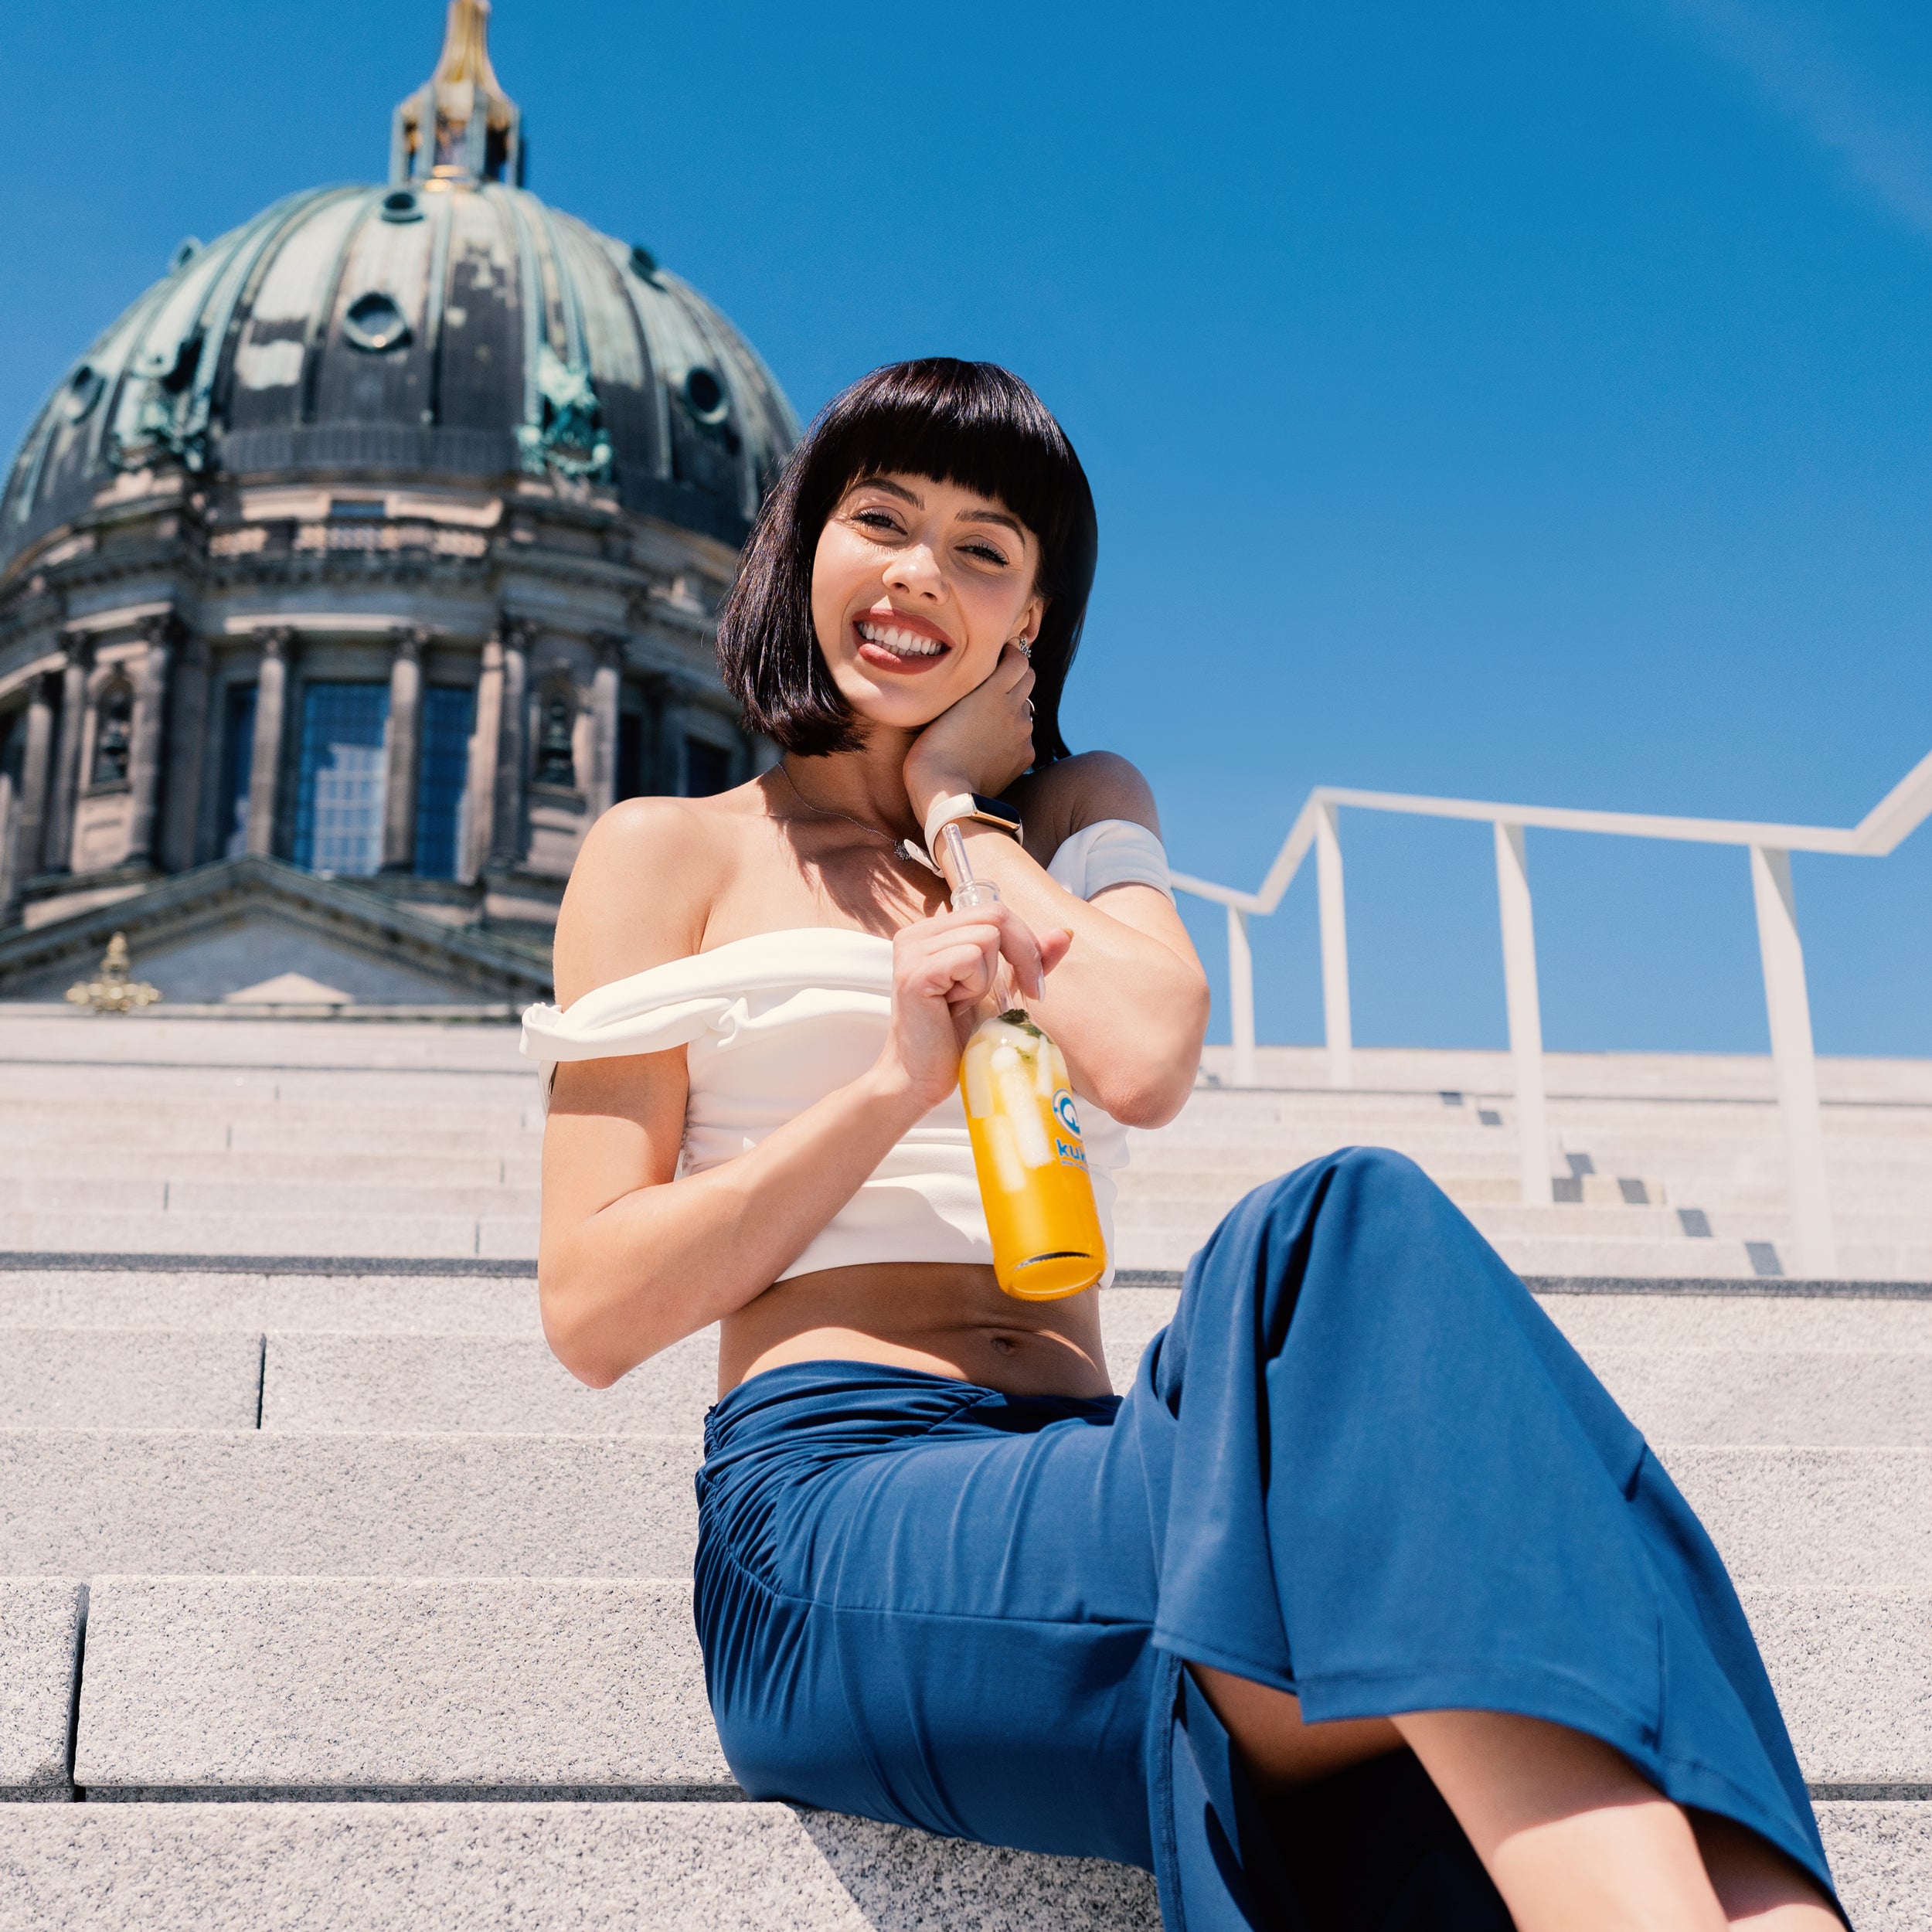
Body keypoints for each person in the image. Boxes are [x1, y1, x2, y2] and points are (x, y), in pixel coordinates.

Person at [525, 359, 1841, 1930]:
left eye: (980, 549)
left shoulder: (1073, 812)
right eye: (880, 520)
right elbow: (591, 1309)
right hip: (833, 1505)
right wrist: (887, 1084)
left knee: (1358, 1240)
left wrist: (957, 816)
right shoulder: (667, 852)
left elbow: (1145, 1054)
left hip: (1102, 1481)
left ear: (1028, 619)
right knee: (1520, 1561)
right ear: (802, 545)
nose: (919, 573)